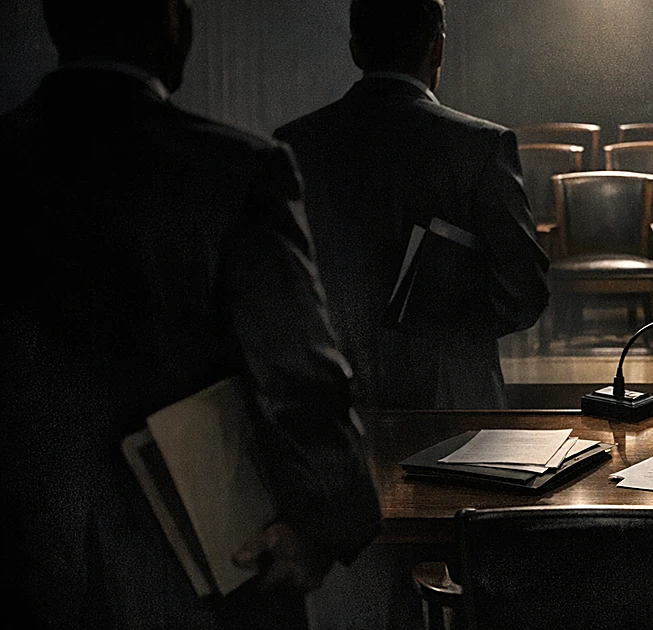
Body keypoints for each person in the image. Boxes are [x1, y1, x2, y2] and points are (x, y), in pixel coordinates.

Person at [0, 1, 381, 627]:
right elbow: (299, 375)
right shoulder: (236, 170)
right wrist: (325, 521)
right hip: (197, 573)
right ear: (172, 19)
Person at [275, 0, 550, 411]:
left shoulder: (293, 144)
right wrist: (444, 325)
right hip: (451, 398)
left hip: (331, 402)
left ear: (355, 49)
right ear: (437, 48)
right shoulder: (481, 146)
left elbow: (280, 284)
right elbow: (524, 292)